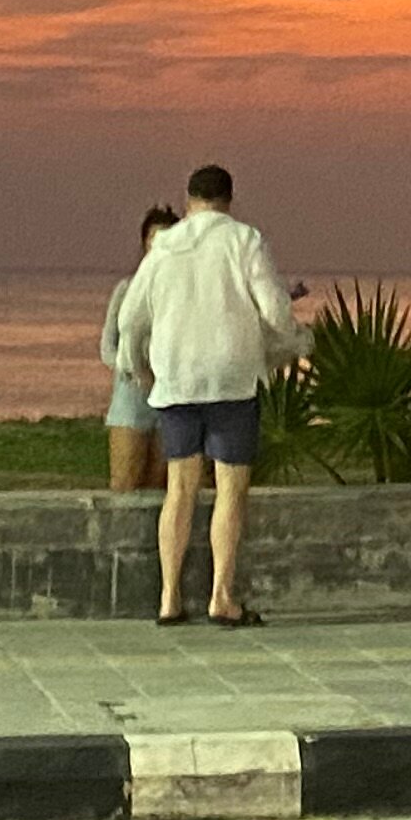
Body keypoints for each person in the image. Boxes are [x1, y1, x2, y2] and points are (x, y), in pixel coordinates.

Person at [106, 164, 308, 626]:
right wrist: (287, 345)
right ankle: (221, 596)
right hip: (232, 382)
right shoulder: (245, 241)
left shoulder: (165, 246)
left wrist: (138, 368)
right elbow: (276, 311)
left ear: (190, 198)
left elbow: (131, 319)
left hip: (176, 382)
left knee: (179, 489)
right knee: (230, 492)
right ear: (229, 200)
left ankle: (169, 597)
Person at [99, 204, 174, 494]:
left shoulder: (183, 294)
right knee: (125, 484)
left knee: (160, 485)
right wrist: (132, 369)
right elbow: (108, 347)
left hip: (170, 397)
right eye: (154, 241)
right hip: (132, 395)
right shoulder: (127, 289)